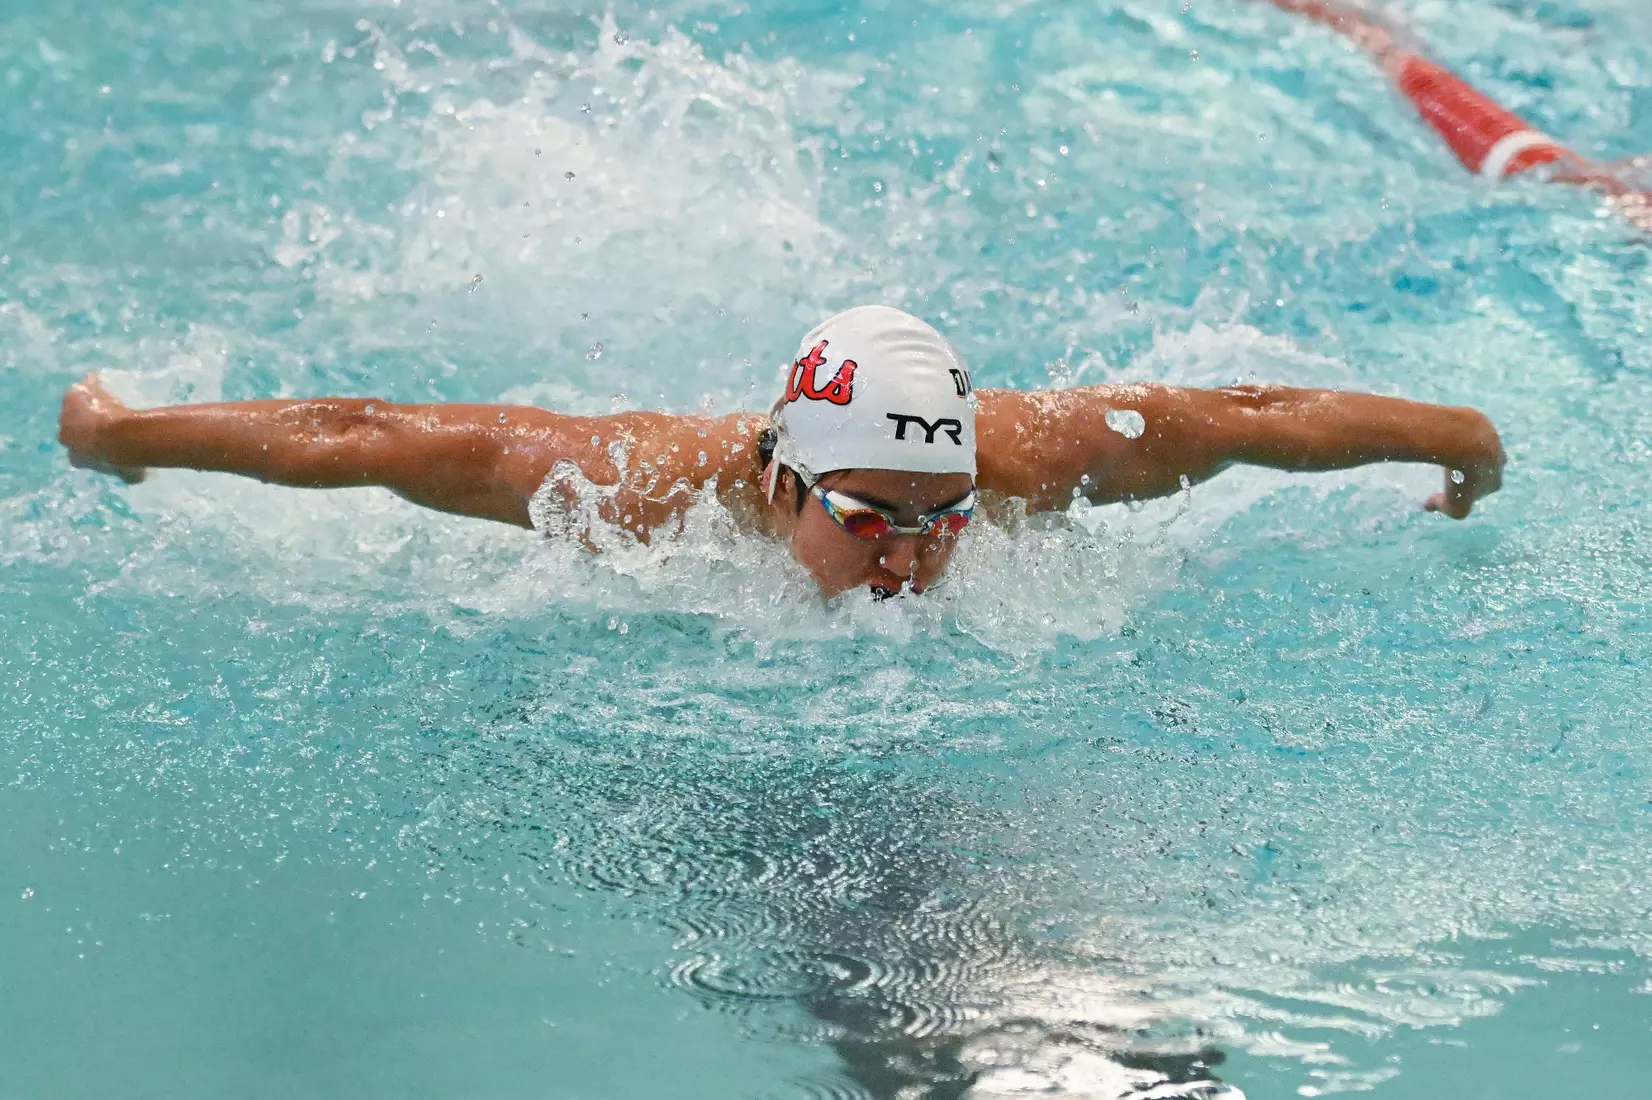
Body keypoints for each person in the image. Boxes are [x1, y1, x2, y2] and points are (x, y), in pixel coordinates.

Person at [57, 305, 1504, 599]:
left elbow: (1252, 418)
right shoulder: (628, 492)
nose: (917, 559)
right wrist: (125, 433)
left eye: (945, 518)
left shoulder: (1028, 456)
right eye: (875, 519)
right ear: (776, 478)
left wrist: (1466, 445)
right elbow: (367, 436)